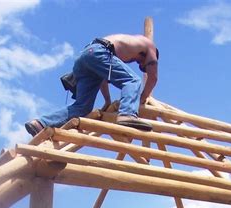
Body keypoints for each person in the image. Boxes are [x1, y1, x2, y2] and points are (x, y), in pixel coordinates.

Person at [25, 34, 158, 136]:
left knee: (83, 107)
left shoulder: (124, 49)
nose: (138, 63)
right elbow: (153, 78)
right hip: (99, 51)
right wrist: (142, 99)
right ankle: (127, 114)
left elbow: (102, 78)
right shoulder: (149, 45)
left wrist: (107, 101)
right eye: (142, 64)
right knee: (133, 80)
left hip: (86, 57)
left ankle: (41, 123)